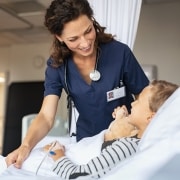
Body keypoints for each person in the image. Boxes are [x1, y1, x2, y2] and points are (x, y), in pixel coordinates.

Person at [5, 0, 149, 169]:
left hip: (124, 139)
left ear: (92, 20)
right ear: (59, 37)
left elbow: (146, 97)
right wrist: (26, 146)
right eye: (73, 39)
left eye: (88, 30)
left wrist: (146, 133)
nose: (85, 43)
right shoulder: (57, 66)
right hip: (87, 144)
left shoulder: (119, 53)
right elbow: (46, 116)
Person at [39, 80, 179, 179]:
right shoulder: (137, 140)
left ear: (151, 117)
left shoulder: (127, 147)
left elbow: (78, 176)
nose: (133, 103)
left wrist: (57, 154)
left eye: (138, 101)